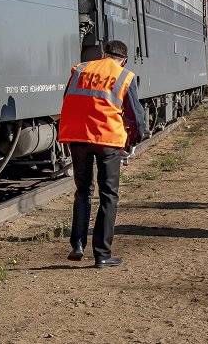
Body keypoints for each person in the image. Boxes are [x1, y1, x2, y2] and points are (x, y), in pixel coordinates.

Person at [59, 40, 146, 267]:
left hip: (78, 138)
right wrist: (134, 140)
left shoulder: (81, 69)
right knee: (108, 195)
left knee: (83, 190)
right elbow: (136, 116)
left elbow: (68, 99)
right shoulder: (124, 75)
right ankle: (102, 255)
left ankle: (77, 245)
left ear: (103, 54)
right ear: (123, 59)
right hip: (107, 140)